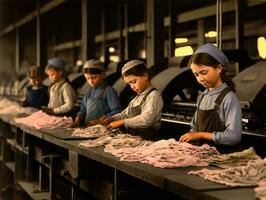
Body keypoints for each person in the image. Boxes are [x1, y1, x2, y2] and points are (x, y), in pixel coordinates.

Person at [179, 43, 242, 150]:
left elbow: (234, 136)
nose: (200, 79)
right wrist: (188, 138)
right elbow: (194, 128)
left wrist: (200, 135)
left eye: (204, 72)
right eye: (196, 74)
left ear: (218, 68)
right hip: (202, 155)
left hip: (221, 158)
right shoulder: (202, 96)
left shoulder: (229, 98)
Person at [105, 59, 164, 140]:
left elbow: (146, 120)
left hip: (148, 138)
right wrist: (111, 119)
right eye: (129, 83)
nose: (132, 87)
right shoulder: (137, 98)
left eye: (133, 81)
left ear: (145, 76)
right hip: (135, 136)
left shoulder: (154, 95)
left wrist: (122, 122)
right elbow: (125, 114)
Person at [72, 59, 122, 127]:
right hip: (88, 127)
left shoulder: (109, 91)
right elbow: (83, 109)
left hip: (104, 127)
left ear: (103, 74)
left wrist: (101, 120)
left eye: (93, 77)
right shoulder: (88, 91)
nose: (91, 81)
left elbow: (117, 111)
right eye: (87, 78)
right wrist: (78, 119)